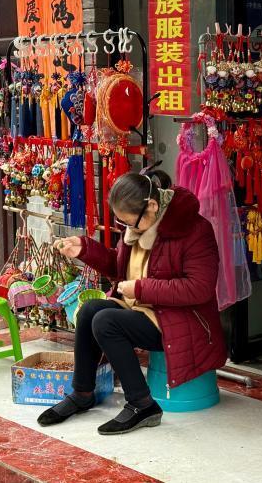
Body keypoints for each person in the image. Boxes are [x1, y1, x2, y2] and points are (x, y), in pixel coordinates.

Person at [37, 169, 227, 435]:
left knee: (106, 321)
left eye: (129, 221)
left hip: (181, 320)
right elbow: (119, 269)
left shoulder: (195, 230)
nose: (127, 227)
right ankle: (82, 393)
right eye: (122, 221)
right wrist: (84, 249)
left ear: (152, 206)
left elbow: (200, 288)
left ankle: (142, 405)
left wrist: (140, 288)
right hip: (143, 309)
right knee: (90, 310)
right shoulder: (137, 227)